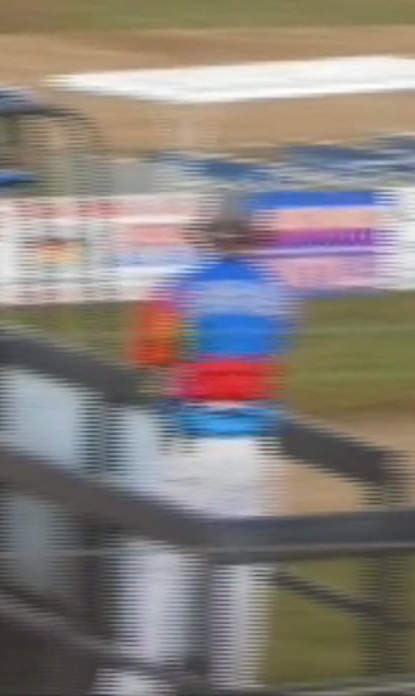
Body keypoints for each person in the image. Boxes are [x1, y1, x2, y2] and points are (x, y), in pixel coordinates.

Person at [96, 193, 297, 696]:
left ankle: (134, 687)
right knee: (240, 585)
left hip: (193, 451)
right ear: (252, 240)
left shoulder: (176, 294)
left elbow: (150, 360)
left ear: (208, 237)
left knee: (159, 577)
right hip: (255, 452)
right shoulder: (278, 296)